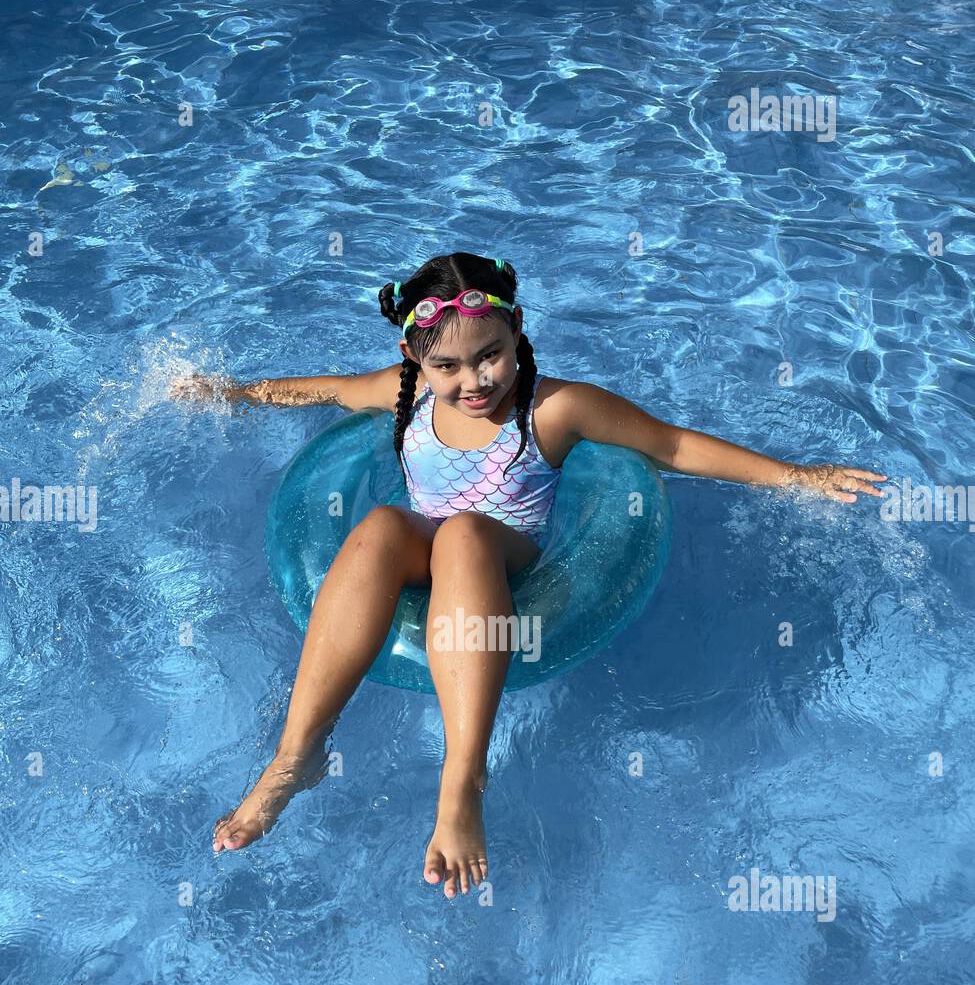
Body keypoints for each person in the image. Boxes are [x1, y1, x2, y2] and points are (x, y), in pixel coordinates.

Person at [170, 250, 886, 898]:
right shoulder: (406, 394)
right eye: (447, 367)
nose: (474, 380)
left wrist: (799, 475)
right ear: (414, 361)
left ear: (517, 338)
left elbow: (669, 444)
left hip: (502, 560)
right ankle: (295, 758)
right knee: (382, 527)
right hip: (429, 548)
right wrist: (229, 393)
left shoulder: (554, 408)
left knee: (463, 535)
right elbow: (325, 391)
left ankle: (463, 781)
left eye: (491, 356)